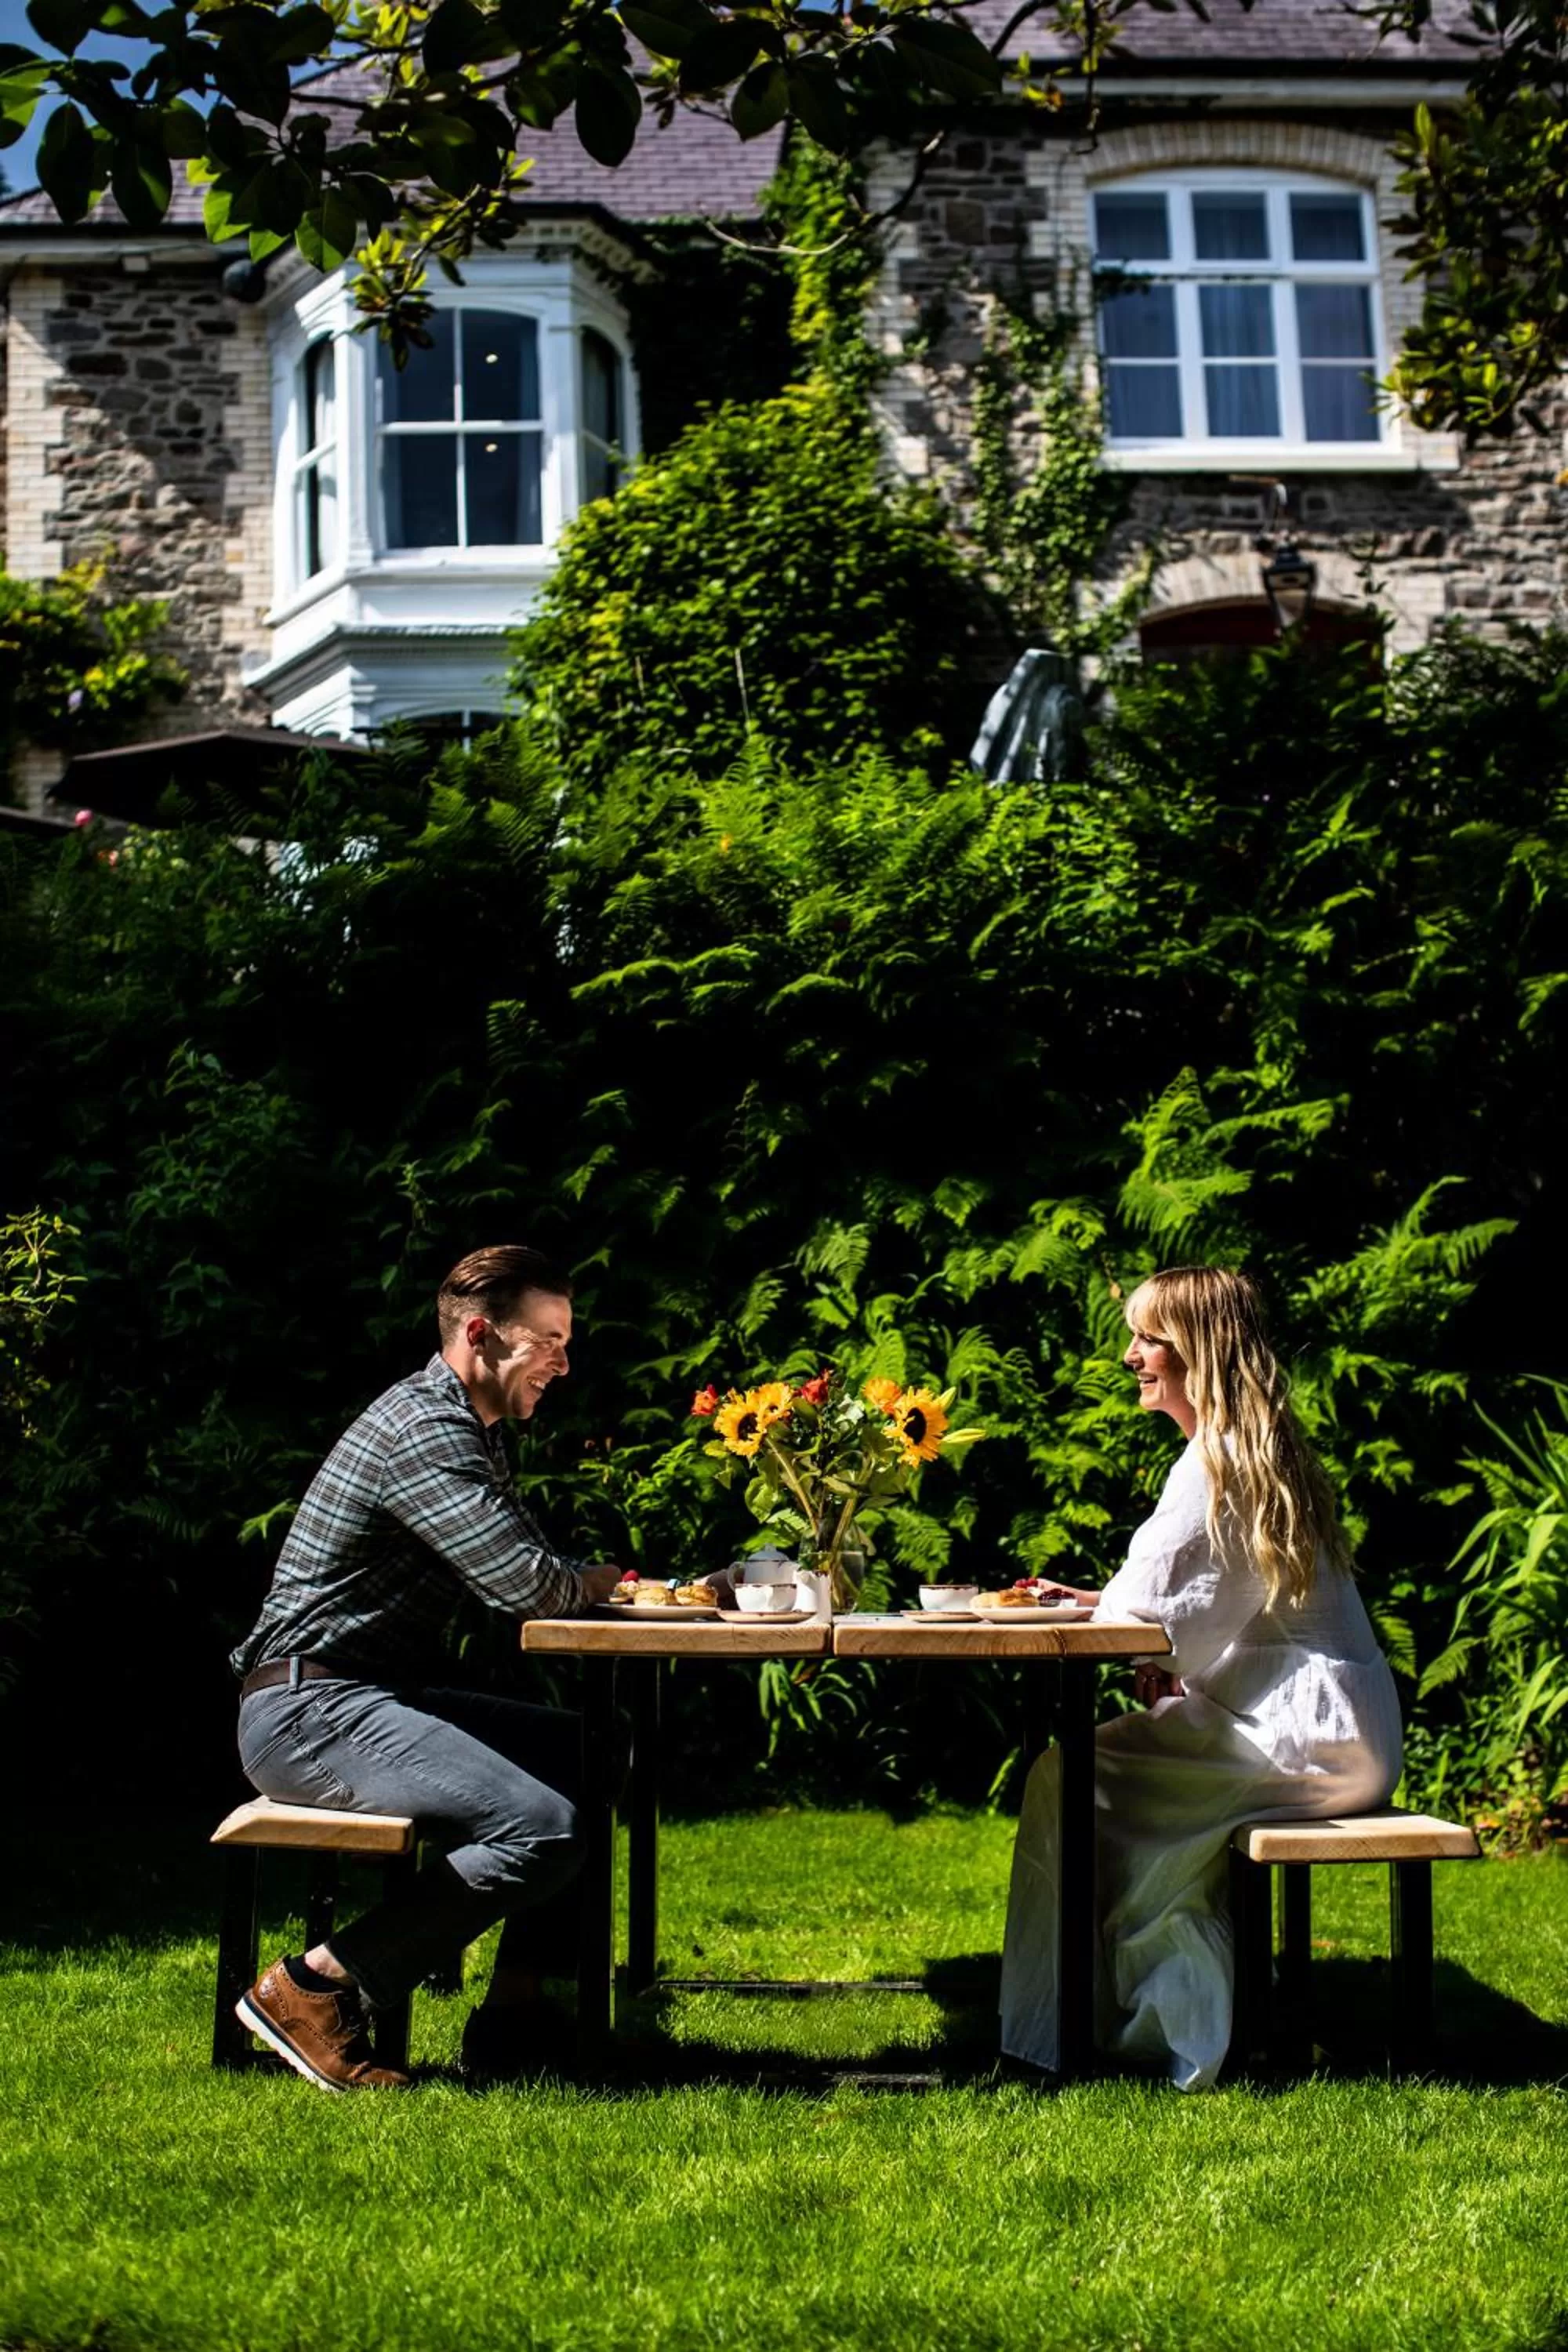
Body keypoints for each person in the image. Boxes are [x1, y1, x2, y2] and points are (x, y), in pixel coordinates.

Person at [230, 1243, 624, 2092]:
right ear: (481, 1335)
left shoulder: (468, 1429)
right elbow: (525, 1583)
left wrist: (578, 1583)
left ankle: (522, 2009)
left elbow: (524, 1564)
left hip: (362, 1697)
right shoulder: (426, 1432)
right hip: (309, 1713)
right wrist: (599, 1583)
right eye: (547, 1340)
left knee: (594, 1748)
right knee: (542, 1828)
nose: (564, 1363)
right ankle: (312, 1989)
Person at [1000, 1265, 1402, 2090]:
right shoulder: (1251, 1450)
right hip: (1331, 1729)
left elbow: (1159, 1621)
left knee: (1064, 1776)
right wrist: (1140, 1635)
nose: (1129, 1356)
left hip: (1291, 1739)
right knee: (1095, 1786)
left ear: (1200, 1353)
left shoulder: (1214, 1465)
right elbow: (1198, 1611)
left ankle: (1075, 2030)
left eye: (1149, 1338)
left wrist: (1153, 1649)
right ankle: (1136, 2007)